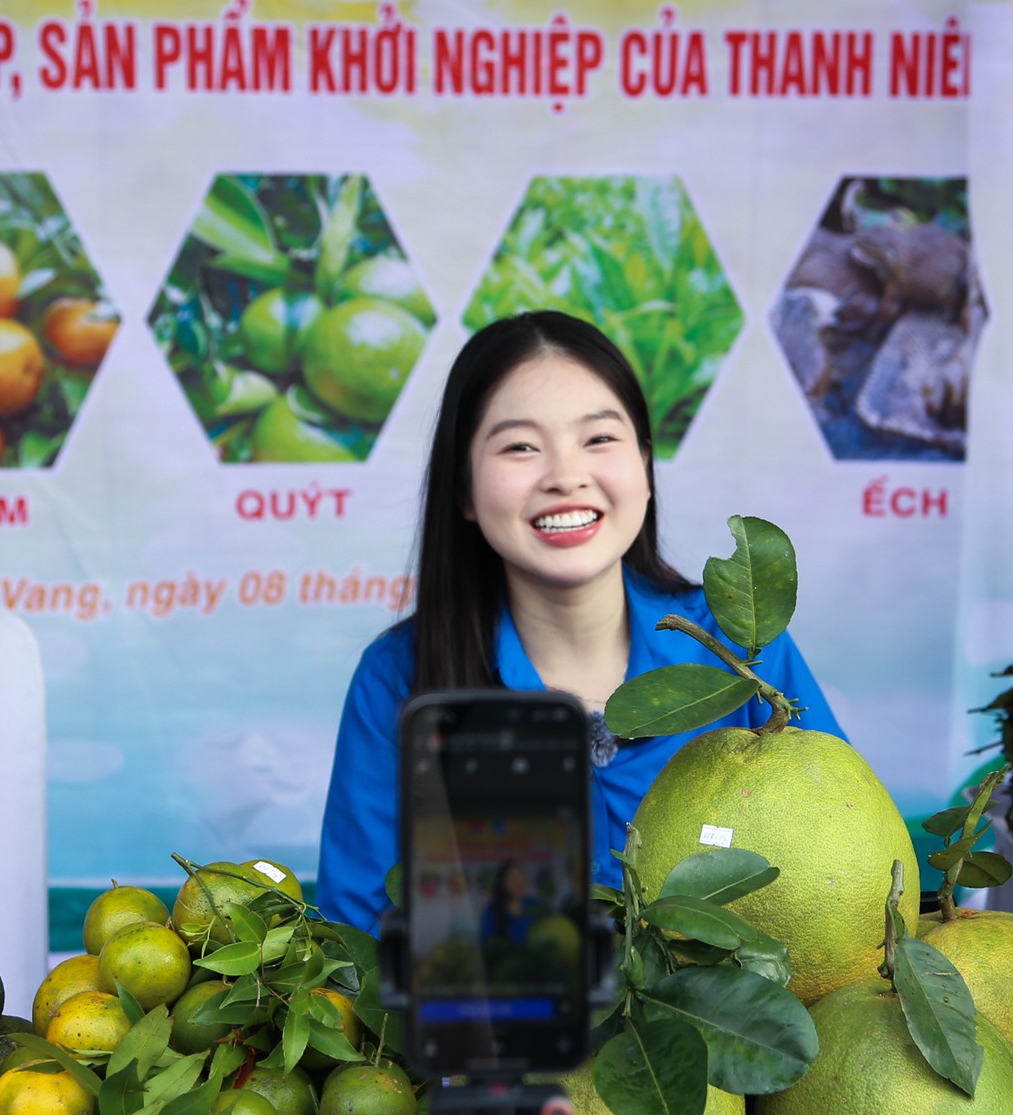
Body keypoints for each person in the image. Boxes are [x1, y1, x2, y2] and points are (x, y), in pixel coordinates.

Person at [316, 310, 845, 933]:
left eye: (598, 439)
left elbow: (842, 860)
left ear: (645, 469)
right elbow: (356, 940)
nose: (566, 476)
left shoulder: (742, 650)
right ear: (463, 490)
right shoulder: (398, 678)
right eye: (520, 446)